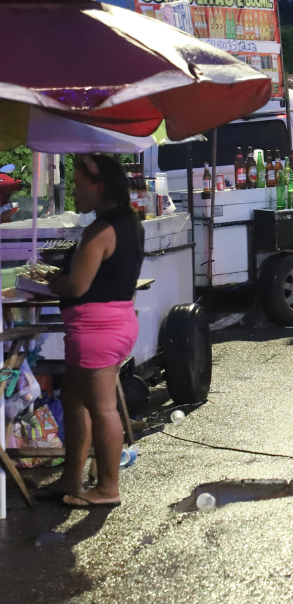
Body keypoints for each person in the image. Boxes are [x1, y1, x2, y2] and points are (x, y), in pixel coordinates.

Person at [40, 154, 144, 508]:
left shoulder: (99, 231)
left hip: (96, 328)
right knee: (74, 399)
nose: (76, 195)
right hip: (113, 322)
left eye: (81, 186)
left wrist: (54, 282)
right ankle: (72, 477)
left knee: (102, 408)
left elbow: (78, 286)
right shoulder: (128, 221)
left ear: (99, 186)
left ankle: (108, 487)